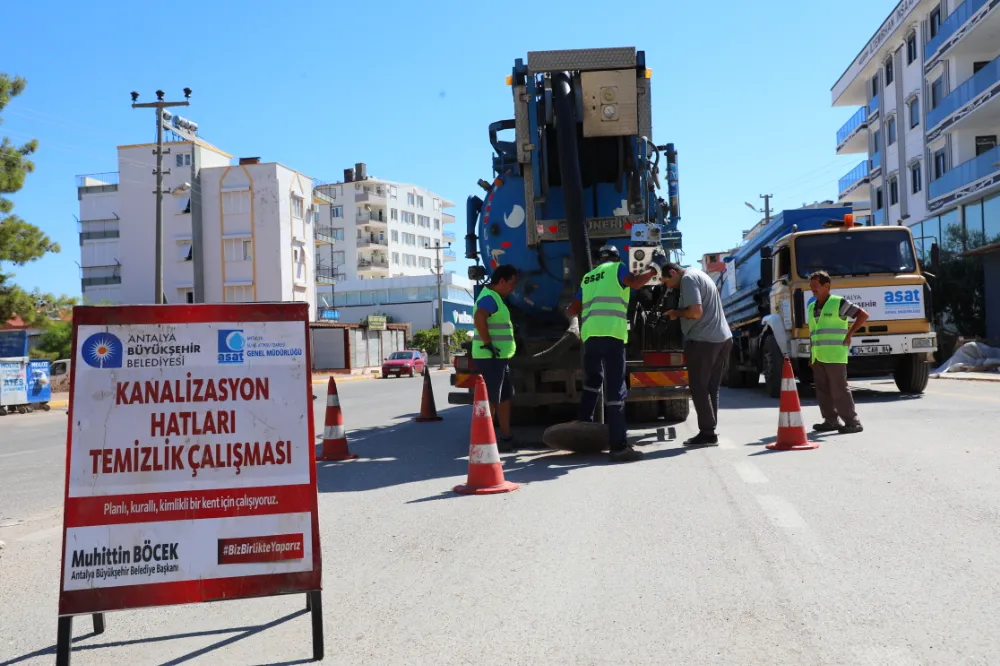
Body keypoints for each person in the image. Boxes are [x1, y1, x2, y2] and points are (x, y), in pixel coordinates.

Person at [567, 244, 666, 462]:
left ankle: (584, 429)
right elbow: (638, 283)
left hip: (590, 337)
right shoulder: (617, 269)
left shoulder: (589, 277)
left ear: (599, 259)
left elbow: (571, 309)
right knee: (615, 389)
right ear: (615, 257)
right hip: (612, 335)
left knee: (592, 382)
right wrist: (655, 267)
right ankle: (619, 446)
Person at [662, 261, 733, 447]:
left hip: (704, 340)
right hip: (723, 338)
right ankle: (710, 431)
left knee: (699, 387)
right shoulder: (700, 274)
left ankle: (708, 433)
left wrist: (674, 313)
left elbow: (695, 312)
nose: (668, 286)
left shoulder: (688, 279)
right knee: (711, 387)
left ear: (672, 272)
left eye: (667, 281)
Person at [807, 270, 868, 434]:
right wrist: (811, 355)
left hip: (835, 355)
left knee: (839, 389)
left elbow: (862, 315)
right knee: (823, 390)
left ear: (826, 286)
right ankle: (830, 421)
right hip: (819, 355)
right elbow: (813, 333)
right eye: (811, 286)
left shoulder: (838, 303)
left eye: (815, 286)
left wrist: (850, 334)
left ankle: (852, 422)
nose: (812, 289)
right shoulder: (812, 307)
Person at [472, 264, 520, 452]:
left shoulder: (496, 298)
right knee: (492, 399)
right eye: (511, 283)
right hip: (490, 356)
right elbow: (479, 316)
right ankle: (486, 444)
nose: (513, 288)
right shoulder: (489, 298)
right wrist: (487, 342)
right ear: (502, 281)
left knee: (505, 396)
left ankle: (506, 437)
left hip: (499, 357)